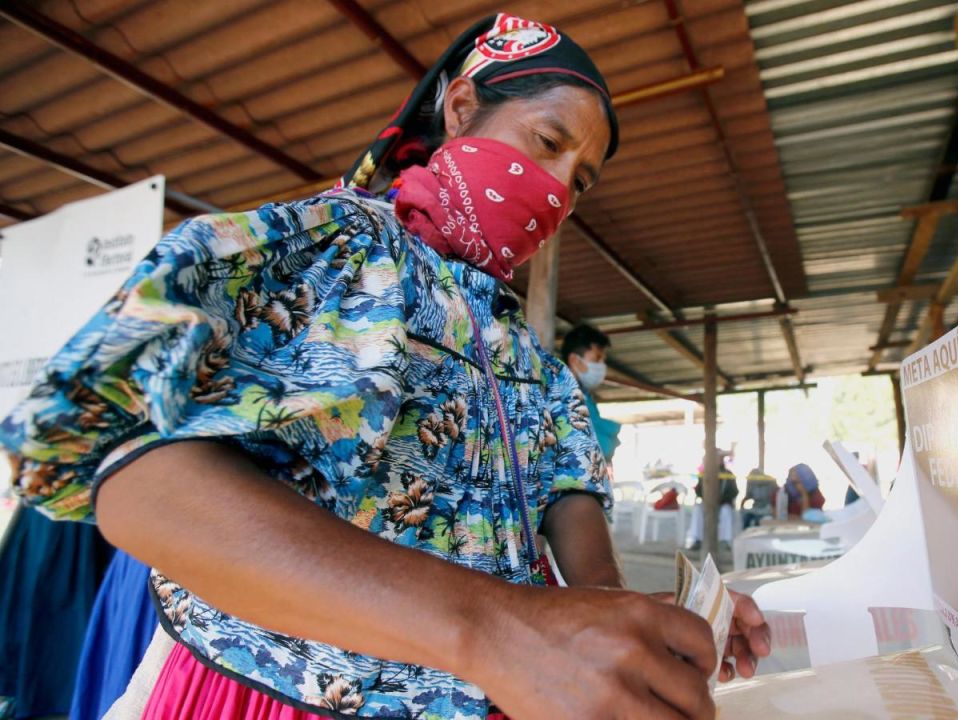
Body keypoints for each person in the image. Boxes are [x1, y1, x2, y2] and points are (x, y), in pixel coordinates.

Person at [0, 14, 768, 720]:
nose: (560, 188)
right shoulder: (333, 253)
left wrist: (655, 628)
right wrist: (495, 630)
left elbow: (583, 561)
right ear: (461, 109)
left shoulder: (532, 363)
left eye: (583, 178)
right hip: (287, 698)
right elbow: (133, 480)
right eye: (546, 142)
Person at [560, 323, 621, 461]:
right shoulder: (562, 396)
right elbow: (599, 446)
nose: (601, 367)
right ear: (574, 359)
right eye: (597, 359)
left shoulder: (583, 396)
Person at [686, 454, 739, 552]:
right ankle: (697, 540)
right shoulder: (705, 473)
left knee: (726, 511)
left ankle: (724, 540)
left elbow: (734, 491)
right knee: (698, 509)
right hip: (707, 503)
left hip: (723, 504)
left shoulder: (728, 474)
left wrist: (722, 499)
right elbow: (698, 491)